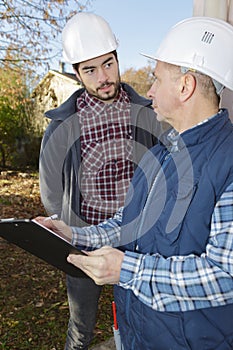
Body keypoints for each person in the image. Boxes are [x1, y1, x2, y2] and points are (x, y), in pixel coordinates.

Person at [37, 16, 233, 349]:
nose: (149, 89)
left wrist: (127, 269)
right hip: (140, 332)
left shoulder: (225, 162)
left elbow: (225, 276)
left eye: (156, 79)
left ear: (185, 87)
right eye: (90, 69)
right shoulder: (160, 155)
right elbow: (129, 223)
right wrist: (75, 234)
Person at [39, 12, 164, 350]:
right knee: (81, 330)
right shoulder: (61, 128)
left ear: (118, 59)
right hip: (85, 244)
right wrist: (74, 232)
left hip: (139, 243)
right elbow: (50, 191)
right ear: (77, 74)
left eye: (108, 64)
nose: (103, 77)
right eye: (90, 70)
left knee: (139, 323)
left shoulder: (151, 114)